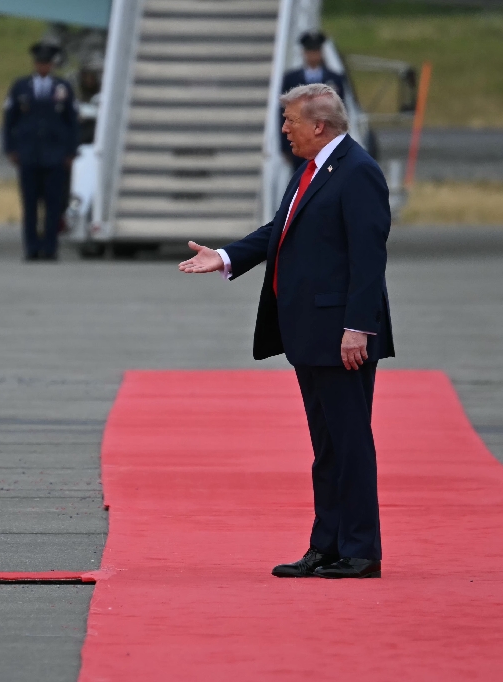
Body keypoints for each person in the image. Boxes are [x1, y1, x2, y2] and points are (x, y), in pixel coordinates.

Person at [178, 84, 393, 580]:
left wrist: (358, 327)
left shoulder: (358, 171)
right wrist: (225, 256)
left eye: (291, 121)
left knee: (349, 443)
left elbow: (369, 256)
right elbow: (281, 229)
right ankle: (327, 545)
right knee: (327, 448)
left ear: (318, 125)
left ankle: (361, 550)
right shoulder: (313, 168)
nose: (284, 129)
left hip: (342, 335)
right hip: (311, 332)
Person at [4, 41, 79, 261]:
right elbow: (9, 120)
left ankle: (50, 247)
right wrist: (11, 148)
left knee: (53, 204)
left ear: (51, 65)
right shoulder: (21, 86)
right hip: (28, 153)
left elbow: (72, 122)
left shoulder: (62, 87)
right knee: (30, 204)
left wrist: (70, 151)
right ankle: (31, 247)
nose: (43, 66)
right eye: (39, 62)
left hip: (55, 155)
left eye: (46, 63)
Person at [281, 32, 346, 169]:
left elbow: (341, 114)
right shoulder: (291, 80)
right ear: (304, 53)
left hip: (326, 142)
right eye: (310, 51)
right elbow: (284, 114)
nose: (313, 55)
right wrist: (285, 145)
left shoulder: (335, 79)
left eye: (316, 51)